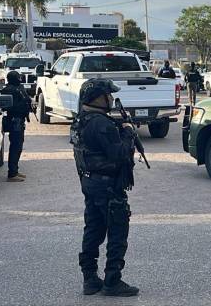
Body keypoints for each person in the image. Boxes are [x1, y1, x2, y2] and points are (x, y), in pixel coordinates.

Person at [72, 78, 140, 297]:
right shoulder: (102, 124)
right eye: (107, 95)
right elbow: (119, 155)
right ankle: (112, 280)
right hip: (107, 186)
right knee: (117, 231)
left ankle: (90, 279)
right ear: (97, 98)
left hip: (90, 182)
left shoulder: (82, 120)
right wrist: (128, 132)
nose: (111, 99)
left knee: (93, 229)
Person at [0, 71, 31, 182]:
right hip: (14, 121)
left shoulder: (18, 88)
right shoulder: (8, 90)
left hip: (19, 120)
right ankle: (12, 173)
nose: (20, 80)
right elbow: (9, 107)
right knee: (15, 146)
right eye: (18, 78)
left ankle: (15, 171)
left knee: (18, 147)